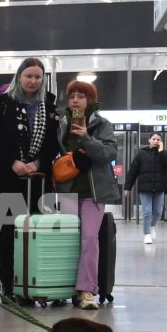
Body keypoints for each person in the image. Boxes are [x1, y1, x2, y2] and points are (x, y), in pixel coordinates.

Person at [0, 57, 60, 299]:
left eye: (37, 77)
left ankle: (32, 283)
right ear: (19, 76)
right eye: (28, 76)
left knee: (35, 233)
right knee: (8, 233)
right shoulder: (3, 103)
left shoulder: (49, 106)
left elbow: (53, 143)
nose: (33, 81)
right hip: (5, 179)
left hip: (38, 180)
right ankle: (8, 285)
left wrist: (38, 162)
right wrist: (14, 162)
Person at [59, 79, 119, 310]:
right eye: (72, 95)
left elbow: (109, 153)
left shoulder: (102, 124)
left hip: (94, 192)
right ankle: (64, 287)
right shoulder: (62, 124)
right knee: (67, 240)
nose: (75, 100)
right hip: (67, 190)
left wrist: (85, 137)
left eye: (81, 96)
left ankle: (86, 290)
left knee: (89, 239)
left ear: (90, 100)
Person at [124, 132, 167, 246]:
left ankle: (151, 226)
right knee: (147, 211)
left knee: (157, 211)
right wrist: (128, 187)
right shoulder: (141, 154)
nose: (156, 141)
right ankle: (146, 234)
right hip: (145, 187)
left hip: (159, 187)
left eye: (158, 139)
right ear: (149, 140)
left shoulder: (163, 154)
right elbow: (133, 171)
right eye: (154, 139)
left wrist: (161, 151)